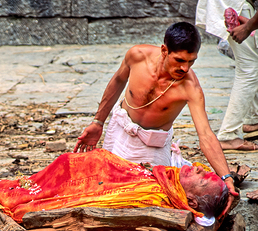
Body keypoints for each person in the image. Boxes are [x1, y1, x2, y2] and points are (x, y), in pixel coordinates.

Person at [74, 22, 237, 209]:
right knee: (106, 190)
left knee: (147, 201)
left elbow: (206, 134)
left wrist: (227, 177)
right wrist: (97, 122)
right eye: (180, 60)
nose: (185, 68)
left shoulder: (190, 88)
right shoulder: (137, 56)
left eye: (191, 61)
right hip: (119, 132)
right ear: (164, 50)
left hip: (152, 147)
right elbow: (117, 82)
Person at [0, 149, 229, 227]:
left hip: (46, 194)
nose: (199, 167)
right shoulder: (162, 179)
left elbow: (91, 200)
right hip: (44, 180)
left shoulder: (152, 197)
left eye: (205, 176)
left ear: (193, 199)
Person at [196, 0, 258, 151]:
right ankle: (228, 135)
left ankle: (253, 119)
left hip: (238, 0)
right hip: (236, 1)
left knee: (251, 61)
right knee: (249, 68)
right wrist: (248, 26)